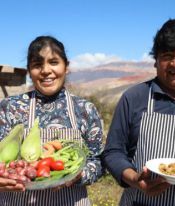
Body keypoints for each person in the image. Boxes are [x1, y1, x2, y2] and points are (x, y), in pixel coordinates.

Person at [102, 18, 175, 206]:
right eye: (167, 55)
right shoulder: (134, 97)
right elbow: (113, 151)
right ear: (156, 61)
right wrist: (135, 179)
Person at [0, 36, 103, 205]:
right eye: (37, 65)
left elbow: (97, 161)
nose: (46, 70)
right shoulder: (8, 108)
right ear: (29, 70)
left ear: (66, 67)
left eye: (54, 62)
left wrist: (78, 175)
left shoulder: (85, 109)